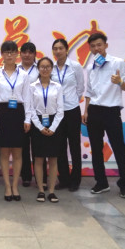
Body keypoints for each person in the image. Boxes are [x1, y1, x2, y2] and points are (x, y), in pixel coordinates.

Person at [82, 32, 125, 199]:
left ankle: (124, 184)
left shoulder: (118, 62)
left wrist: (119, 82)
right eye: (93, 46)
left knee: (119, 147)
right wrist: (86, 111)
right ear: (90, 49)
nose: (97, 48)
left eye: (99, 45)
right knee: (96, 149)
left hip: (111, 111)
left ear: (106, 45)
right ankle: (101, 182)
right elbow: (89, 91)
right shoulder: (91, 67)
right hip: (94, 111)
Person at [0, 41, 32, 201]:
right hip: (3, 113)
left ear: (17, 54)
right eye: (6, 52)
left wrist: (27, 119)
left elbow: (27, 98)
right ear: (2, 55)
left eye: (12, 52)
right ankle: (7, 186)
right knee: (4, 152)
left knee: (18, 152)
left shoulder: (24, 75)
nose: (9, 55)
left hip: (18, 113)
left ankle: (15, 186)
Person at [51, 38, 85, 192]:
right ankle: (64, 179)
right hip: (57, 111)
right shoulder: (51, 68)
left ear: (66, 49)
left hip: (72, 110)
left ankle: (75, 180)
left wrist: (72, 100)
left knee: (74, 145)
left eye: (61, 48)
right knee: (59, 146)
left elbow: (80, 88)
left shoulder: (75, 66)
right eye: (55, 48)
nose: (58, 51)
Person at [30, 57, 64, 202]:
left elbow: (61, 110)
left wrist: (53, 127)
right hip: (38, 124)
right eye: (42, 67)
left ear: (51, 69)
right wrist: (39, 127)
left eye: (47, 67)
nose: (45, 69)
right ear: (38, 69)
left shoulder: (57, 86)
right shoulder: (32, 86)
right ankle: (40, 190)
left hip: (54, 123)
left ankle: (51, 191)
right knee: (38, 158)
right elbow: (30, 109)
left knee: (53, 159)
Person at [18, 42, 39, 187]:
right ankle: (26, 176)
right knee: (23, 146)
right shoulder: (15, 69)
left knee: (38, 147)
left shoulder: (40, 69)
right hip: (22, 112)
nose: (27, 55)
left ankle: (40, 177)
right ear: (20, 54)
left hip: (38, 112)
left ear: (34, 54)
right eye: (24, 52)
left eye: (30, 52)